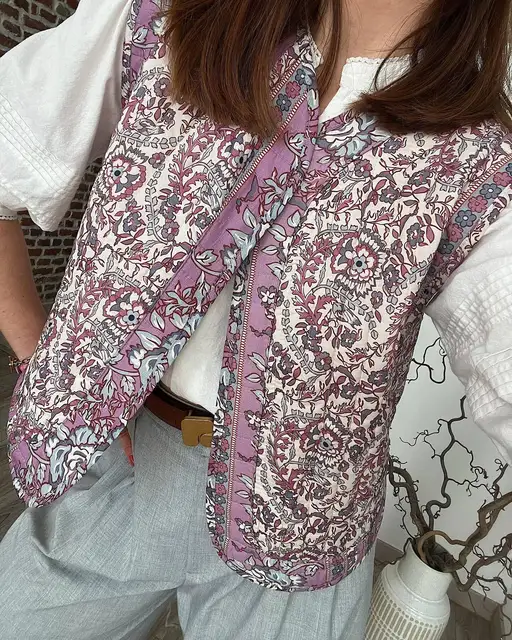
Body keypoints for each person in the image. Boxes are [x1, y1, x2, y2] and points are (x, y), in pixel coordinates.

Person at [0, 0, 511, 638]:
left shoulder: (481, 166)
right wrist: (36, 349)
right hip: (114, 466)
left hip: (303, 529)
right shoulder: (168, 20)